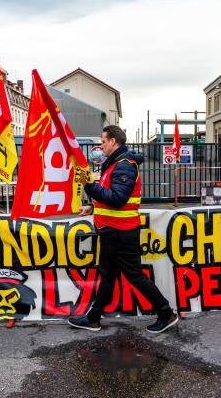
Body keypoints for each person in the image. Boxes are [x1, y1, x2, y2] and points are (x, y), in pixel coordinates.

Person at [67, 125, 179, 334]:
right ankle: (93, 318)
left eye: (102, 141)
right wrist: (92, 207)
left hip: (121, 232)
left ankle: (166, 313)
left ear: (113, 142)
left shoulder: (124, 165)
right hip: (113, 231)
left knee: (133, 275)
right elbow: (111, 195)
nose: (100, 146)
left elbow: (118, 200)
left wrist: (89, 184)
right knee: (108, 275)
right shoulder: (114, 164)